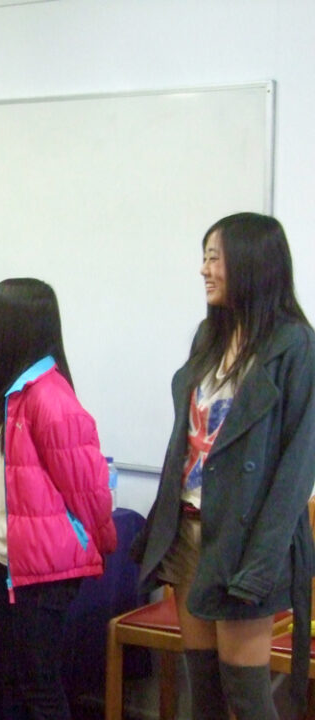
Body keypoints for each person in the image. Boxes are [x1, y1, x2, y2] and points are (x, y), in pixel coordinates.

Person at [134, 213, 315, 720]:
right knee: (204, 688)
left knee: (247, 694)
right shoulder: (208, 337)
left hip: (244, 541)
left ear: (251, 263)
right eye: (205, 257)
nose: (204, 269)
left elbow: (296, 469)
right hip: (190, 530)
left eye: (214, 257)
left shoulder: (294, 346)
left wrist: (260, 564)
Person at [0, 278, 117, 719]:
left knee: (39, 687)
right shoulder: (13, 392)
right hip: (8, 562)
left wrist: (100, 545)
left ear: (18, 326)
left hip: (43, 571)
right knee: (14, 684)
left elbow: (90, 492)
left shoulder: (49, 397)